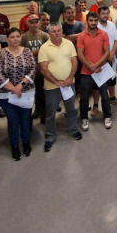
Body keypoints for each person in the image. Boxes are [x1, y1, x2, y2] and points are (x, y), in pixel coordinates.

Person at [38, 22, 82, 153]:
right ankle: (50, 136)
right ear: (49, 33)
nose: (57, 33)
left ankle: (74, 130)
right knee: (51, 112)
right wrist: (56, 81)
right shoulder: (44, 48)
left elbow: (74, 61)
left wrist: (70, 78)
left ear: (61, 31)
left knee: (71, 108)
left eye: (58, 30)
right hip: (52, 86)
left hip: (68, 84)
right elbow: (43, 69)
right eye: (54, 31)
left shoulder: (69, 44)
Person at [0, 27, 36, 160]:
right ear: (7, 39)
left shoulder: (27, 51)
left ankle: (26, 142)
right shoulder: (1, 54)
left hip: (26, 92)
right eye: (12, 37)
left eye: (17, 36)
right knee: (13, 120)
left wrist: (21, 85)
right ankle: (14, 145)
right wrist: (13, 89)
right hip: (7, 94)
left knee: (25, 119)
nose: (15, 39)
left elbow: (33, 69)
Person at [76, 12, 112, 130]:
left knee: (105, 95)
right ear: (87, 22)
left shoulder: (104, 34)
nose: (93, 23)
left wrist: (96, 65)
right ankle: (84, 118)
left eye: (95, 20)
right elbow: (80, 54)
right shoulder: (81, 36)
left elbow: (107, 52)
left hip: (101, 71)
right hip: (86, 72)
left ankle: (107, 116)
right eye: (91, 20)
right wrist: (89, 66)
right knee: (84, 97)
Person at [20, 14, 50, 123]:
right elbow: (23, 54)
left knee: (42, 95)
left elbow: (48, 52)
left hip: (42, 71)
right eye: (31, 22)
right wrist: (38, 52)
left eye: (36, 22)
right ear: (27, 24)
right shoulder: (24, 37)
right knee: (30, 96)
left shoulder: (45, 36)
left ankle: (44, 116)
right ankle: (31, 116)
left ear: (39, 23)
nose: (34, 24)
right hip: (29, 72)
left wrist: (33, 54)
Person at [98, 6, 117, 106]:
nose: (105, 15)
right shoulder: (96, 26)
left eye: (107, 13)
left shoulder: (112, 25)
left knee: (112, 79)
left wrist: (112, 54)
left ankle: (112, 98)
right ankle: (101, 102)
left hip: (112, 58)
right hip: (99, 59)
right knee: (101, 82)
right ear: (99, 15)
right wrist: (105, 57)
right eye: (103, 13)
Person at [61, 5, 85, 99]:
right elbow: (62, 39)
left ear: (75, 13)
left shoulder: (80, 24)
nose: (70, 14)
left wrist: (68, 36)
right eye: (68, 13)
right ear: (64, 14)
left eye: (72, 12)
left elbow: (83, 36)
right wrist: (76, 37)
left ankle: (80, 95)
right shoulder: (62, 25)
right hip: (66, 56)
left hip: (79, 55)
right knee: (69, 75)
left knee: (79, 76)